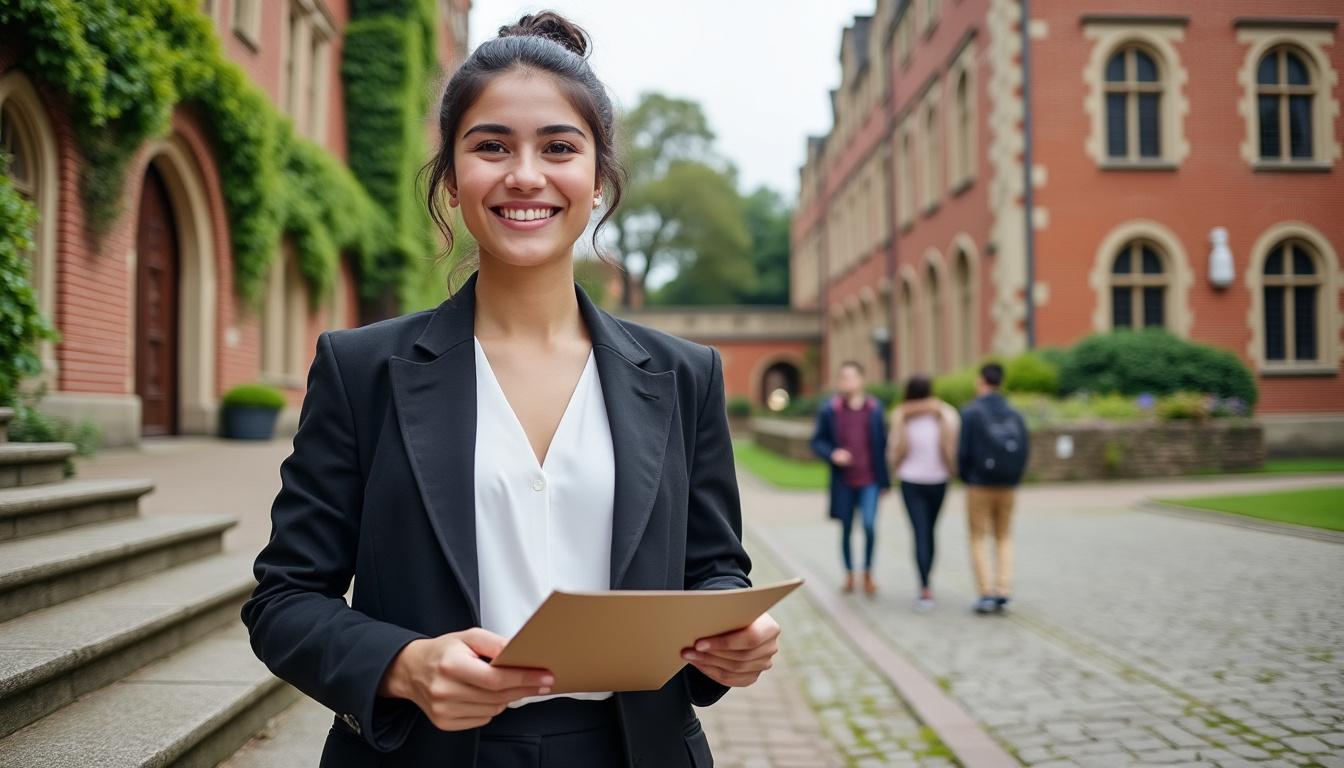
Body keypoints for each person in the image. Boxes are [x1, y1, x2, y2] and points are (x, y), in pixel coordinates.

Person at [241, 14, 779, 767]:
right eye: (491, 146)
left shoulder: (685, 376)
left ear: (597, 183)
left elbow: (715, 569)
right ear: (454, 181)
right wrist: (404, 666)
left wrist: (734, 639)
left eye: (559, 148)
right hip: (422, 753)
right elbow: (284, 600)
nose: (525, 174)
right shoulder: (360, 369)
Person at [809, 361, 890, 596]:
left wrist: (885, 482)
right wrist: (833, 453)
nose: (846, 382)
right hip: (843, 481)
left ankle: (867, 573)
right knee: (845, 528)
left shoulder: (875, 409)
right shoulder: (830, 410)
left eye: (851, 377)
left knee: (869, 525)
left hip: (870, 480)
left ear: (861, 380)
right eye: (843, 378)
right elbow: (817, 442)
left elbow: (881, 447)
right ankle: (849, 574)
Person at [956, 362, 1029, 615]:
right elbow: (1025, 449)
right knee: (1004, 536)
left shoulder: (971, 412)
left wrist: (967, 477)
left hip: (979, 483)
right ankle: (1003, 589)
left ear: (981, 381)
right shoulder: (1014, 412)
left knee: (978, 537)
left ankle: (986, 592)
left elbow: (962, 451)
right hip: (1008, 483)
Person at [886, 375, 959, 611]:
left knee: (925, 531)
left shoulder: (937, 415)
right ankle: (926, 584)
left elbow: (892, 448)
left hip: (928, 481)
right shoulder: (938, 414)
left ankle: (925, 584)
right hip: (917, 481)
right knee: (924, 531)